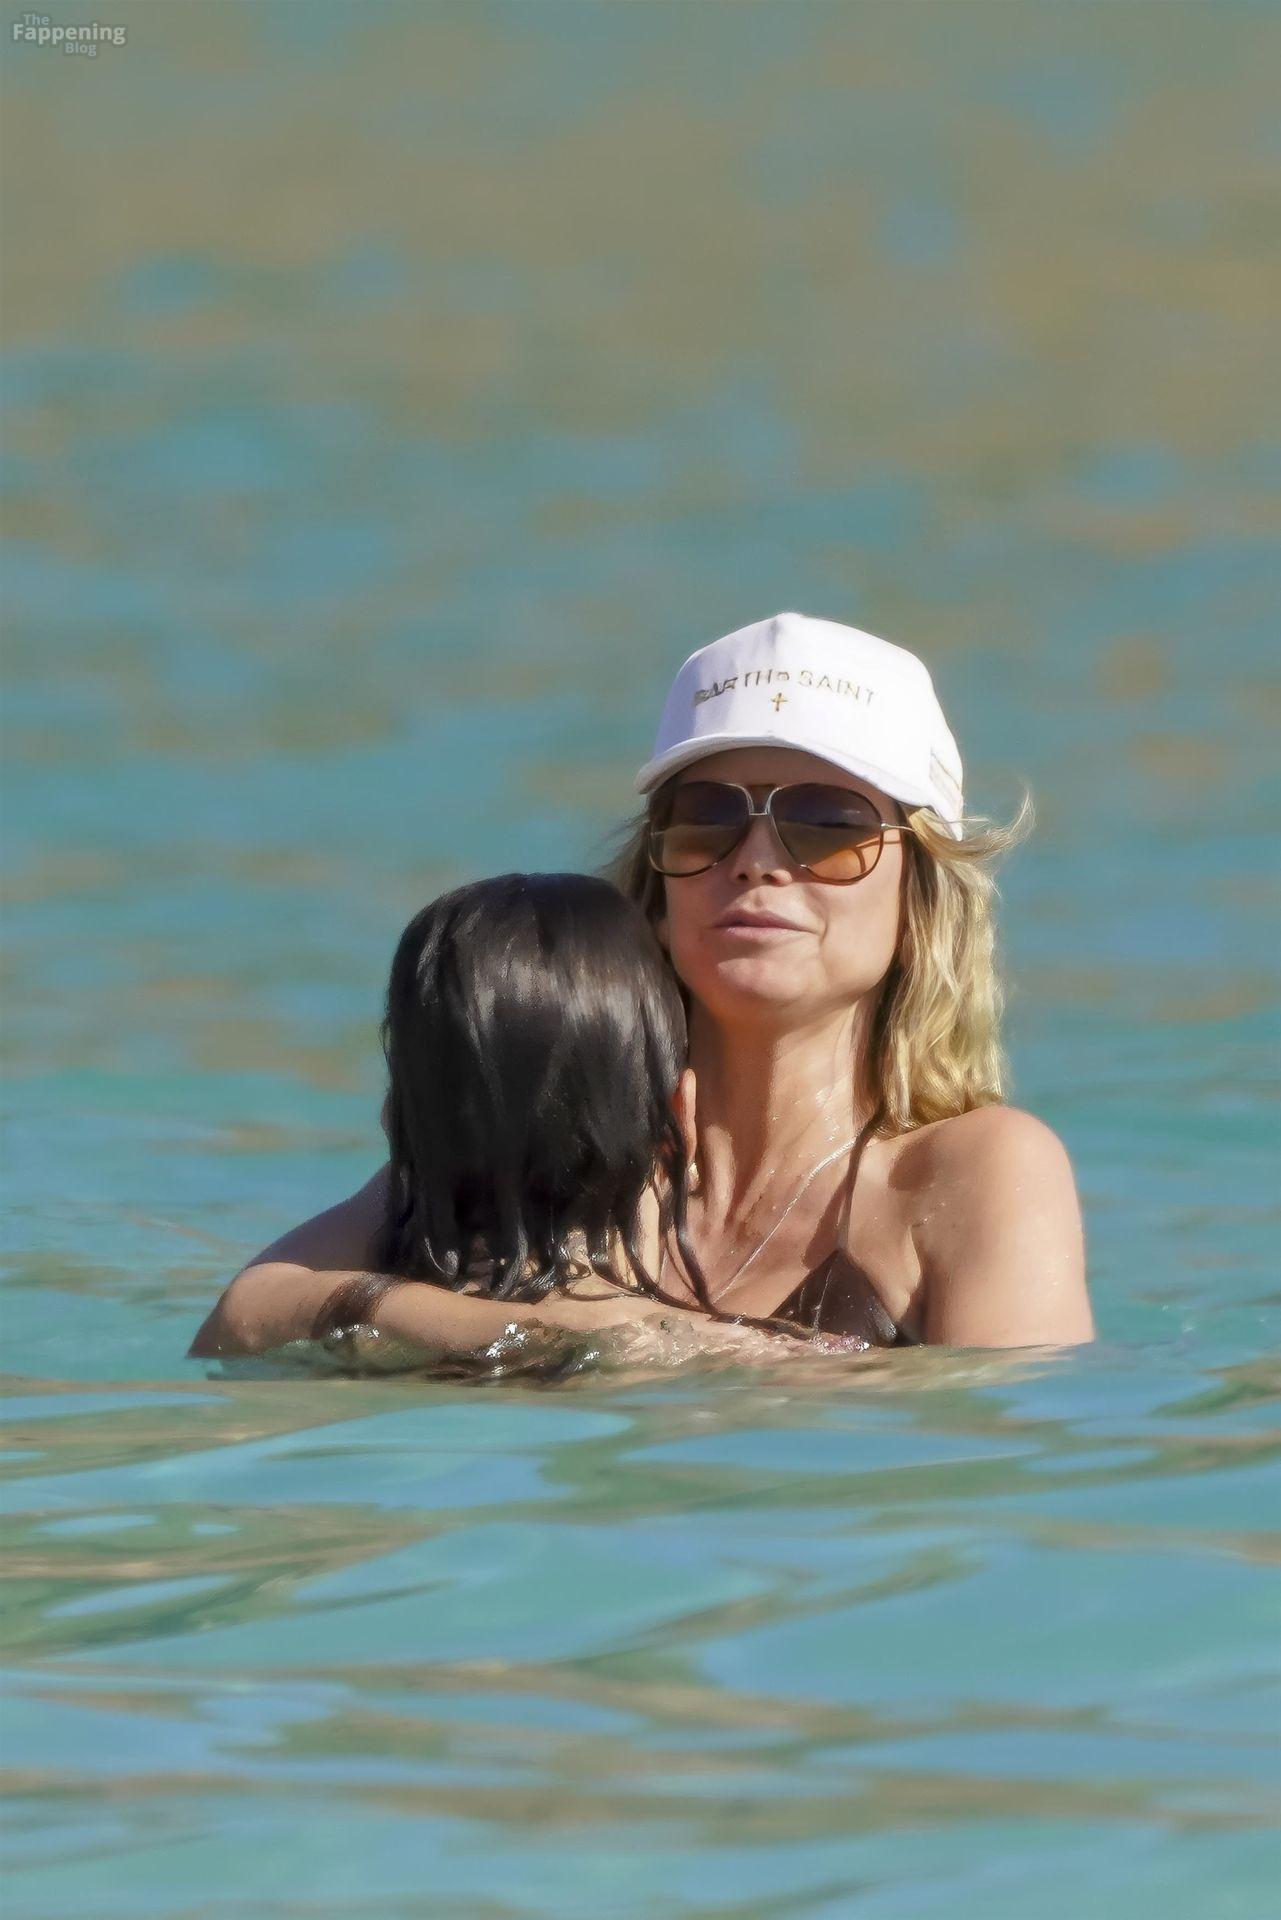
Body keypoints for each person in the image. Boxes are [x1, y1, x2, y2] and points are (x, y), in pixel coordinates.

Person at [196, 611, 1094, 1357]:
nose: (755, 861)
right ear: (658, 883)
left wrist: (661, 1350)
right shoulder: (561, 1135)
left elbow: (1006, 1456)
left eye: (827, 825)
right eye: (706, 821)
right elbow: (245, 1318)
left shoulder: (971, 1172)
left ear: (922, 893)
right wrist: (549, 1332)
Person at [190, 873, 736, 1362]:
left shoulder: (376, 1259)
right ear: (680, 1117)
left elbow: (244, 1311)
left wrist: (410, 1315)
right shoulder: (721, 1359)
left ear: (395, 1114)